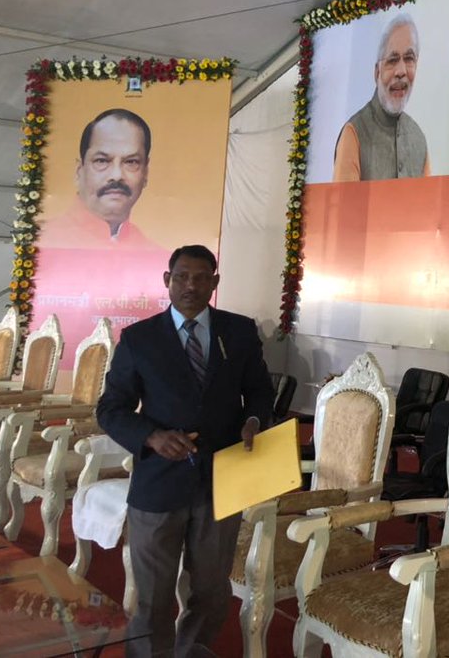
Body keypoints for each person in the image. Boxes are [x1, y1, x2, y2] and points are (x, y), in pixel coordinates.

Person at [97, 245, 274, 658]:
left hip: (220, 482)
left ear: (215, 282)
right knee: (153, 597)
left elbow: (260, 391)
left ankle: (190, 652)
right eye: (181, 277)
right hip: (159, 483)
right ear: (167, 280)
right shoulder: (140, 339)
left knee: (211, 591)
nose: (190, 286)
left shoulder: (239, 331)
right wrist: (152, 436)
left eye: (200, 278)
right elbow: (111, 409)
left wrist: (254, 420)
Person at [39, 108, 161, 249]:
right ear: (79, 171)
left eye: (131, 162)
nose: (117, 175)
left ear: (145, 173)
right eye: (102, 161)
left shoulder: (156, 253)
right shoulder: (40, 242)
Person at [332, 13, 431, 181]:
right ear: (377, 72)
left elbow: (430, 198)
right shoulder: (354, 132)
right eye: (392, 60)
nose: (401, 71)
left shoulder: (418, 138)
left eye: (409, 59)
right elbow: (344, 198)